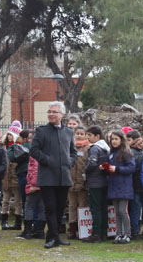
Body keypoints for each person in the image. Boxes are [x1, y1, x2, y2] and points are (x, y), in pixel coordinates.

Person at [29, 101, 77, 249]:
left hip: (63, 177)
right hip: (47, 177)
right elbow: (34, 150)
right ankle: (51, 237)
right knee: (50, 208)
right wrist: (47, 160)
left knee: (60, 208)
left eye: (54, 112)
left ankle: (56, 236)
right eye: (49, 112)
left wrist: (70, 162)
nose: (51, 114)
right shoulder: (41, 131)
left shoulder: (69, 132)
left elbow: (73, 152)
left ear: (62, 114)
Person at [105, 130, 136, 244]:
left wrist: (117, 169)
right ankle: (118, 234)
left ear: (121, 140)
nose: (114, 141)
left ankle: (127, 234)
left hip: (124, 186)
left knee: (123, 211)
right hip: (113, 185)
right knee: (116, 212)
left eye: (116, 139)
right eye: (112, 139)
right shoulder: (111, 153)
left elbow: (131, 168)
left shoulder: (126, 153)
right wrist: (105, 168)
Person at [84, 125, 110, 243]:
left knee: (95, 208)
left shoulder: (95, 148)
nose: (87, 138)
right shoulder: (106, 148)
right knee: (103, 208)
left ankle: (96, 234)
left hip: (95, 182)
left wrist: (85, 171)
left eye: (89, 135)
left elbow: (92, 163)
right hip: (104, 181)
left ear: (97, 136)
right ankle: (104, 232)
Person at [66, 126, 90, 239]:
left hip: (82, 184)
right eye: (77, 133)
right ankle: (71, 228)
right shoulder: (69, 146)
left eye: (81, 133)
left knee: (82, 206)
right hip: (70, 182)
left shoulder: (88, 148)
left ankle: (82, 229)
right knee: (71, 206)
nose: (79, 135)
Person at [126, 130, 143, 238]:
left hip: (136, 184)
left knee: (137, 210)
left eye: (129, 140)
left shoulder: (130, 152)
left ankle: (135, 230)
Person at [8, 129, 31, 232]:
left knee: (25, 201)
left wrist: (13, 146)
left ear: (23, 138)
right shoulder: (37, 147)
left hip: (23, 174)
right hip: (35, 176)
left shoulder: (18, 147)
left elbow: (11, 157)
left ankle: (27, 226)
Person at [1, 122, 23, 231]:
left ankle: (18, 221)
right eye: (8, 134)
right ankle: (4, 220)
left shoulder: (19, 148)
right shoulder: (4, 147)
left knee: (18, 201)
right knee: (5, 200)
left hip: (16, 178)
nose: (9, 136)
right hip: (6, 178)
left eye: (11, 134)